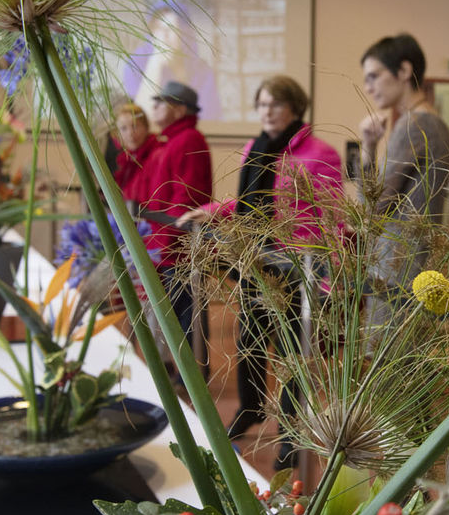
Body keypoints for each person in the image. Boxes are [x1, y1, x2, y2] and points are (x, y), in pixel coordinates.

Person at [177, 75, 343, 470]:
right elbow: (248, 202)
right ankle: (251, 410)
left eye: (275, 105)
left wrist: (328, 277)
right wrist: (212, 211)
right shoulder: (256, 147)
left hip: (299, 268)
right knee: (248, 337)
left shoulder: (320, 153)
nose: (267, 112)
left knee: (291, 354)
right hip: (256, 261)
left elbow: (333, 218)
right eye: (262, 104)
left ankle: (290, 436)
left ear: (294, 109)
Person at [357, 33, 449, 330]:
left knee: (386, 362)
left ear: (403, 71)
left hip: (398, 264)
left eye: (374, 76)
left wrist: (367, 147)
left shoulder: (414, 124)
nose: (368, 87)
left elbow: (371, 207)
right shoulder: (433, 121)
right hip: (414, 258)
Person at [121, 82, 213, 377]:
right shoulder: (172, 141)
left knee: (186, 313)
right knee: (174, 313)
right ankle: (182, 372)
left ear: (179, 109)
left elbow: (186, 198)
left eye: (161, 103)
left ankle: (192, 375)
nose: (155, 107)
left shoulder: (189, 139)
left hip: (178, 247)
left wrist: (166, 241)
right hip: (166, 244)